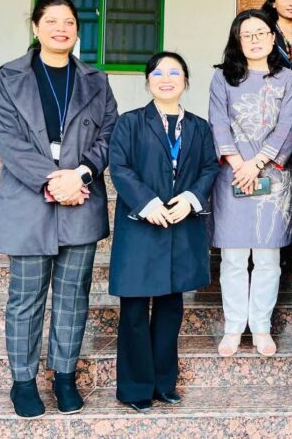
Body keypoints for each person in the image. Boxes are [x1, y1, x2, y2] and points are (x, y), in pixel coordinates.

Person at [0, 0, 118, 418]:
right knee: (25, 298)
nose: (61, 28)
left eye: (69, 22)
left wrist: (78, 175)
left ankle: (64, 376)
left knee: (71, 296)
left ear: (77, 30)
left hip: (80, 199)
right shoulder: (9, 78)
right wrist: (52, 180)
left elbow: (110, 135)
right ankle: (23, 381)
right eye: (52, 21)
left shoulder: (96, 80)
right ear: (36, 27)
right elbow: (6, 139)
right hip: (28, 202)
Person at [108, 51, 218, 412]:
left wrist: (190, 198)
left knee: (171, 308)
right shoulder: (130, 122)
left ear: (186, 80)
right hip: (142, 227)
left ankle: (163, 383)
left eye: (175, 72)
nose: (166, 78)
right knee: (136, 311)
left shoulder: (200, 127)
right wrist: (148, 203)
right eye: (158, 72)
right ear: (148, 81)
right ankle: (135, 387)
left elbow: (208, 168)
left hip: (181, 227)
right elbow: (120, 167)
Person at [208, 9, 292, 358]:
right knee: (232, 257)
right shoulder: (222, 79)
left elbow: (287, 126)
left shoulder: (288, 80)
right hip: (232, 173)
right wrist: (238, 164)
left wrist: (258, 163)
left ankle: (260, 326)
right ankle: (234, 327)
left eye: (261, 33)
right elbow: (218, 123)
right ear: (237, 40)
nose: (255, 39)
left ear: (273, 38)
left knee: (267, 258)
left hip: (272, 175)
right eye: (247, 34)